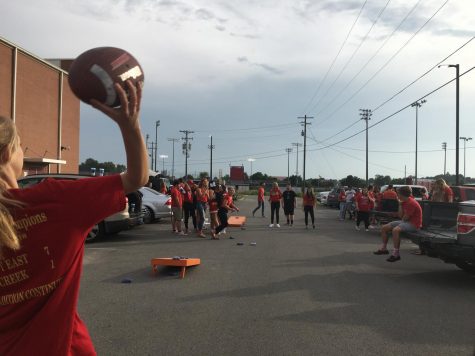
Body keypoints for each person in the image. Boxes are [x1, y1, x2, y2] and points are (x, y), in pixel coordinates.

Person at [0, 80, 148, 354]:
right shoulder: (55, 199)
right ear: (9, 152)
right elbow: (137, 178)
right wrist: (130, 126)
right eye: (21, 145)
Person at [374, 186, 422, 262]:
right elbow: (401, 216)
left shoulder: (411, 203)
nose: (397, 195)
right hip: (406, 221)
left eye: (398, 193)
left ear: (402, 194)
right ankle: (384, 249)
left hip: (414, 224)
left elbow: (404, 218)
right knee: (384, 228)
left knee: (395, 230)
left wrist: (401, 217)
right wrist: (400, 205)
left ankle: (396, 254)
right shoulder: (403, 202)